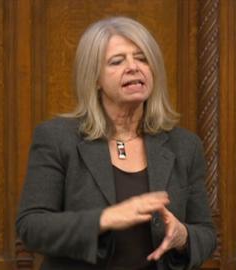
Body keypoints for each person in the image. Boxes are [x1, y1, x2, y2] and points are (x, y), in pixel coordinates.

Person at [16, 16, 216, 270]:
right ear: (95, 79)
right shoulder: (57, 138)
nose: (134, 67)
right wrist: (105, 218)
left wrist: (183, 236)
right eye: (117, 61)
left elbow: (207, 233)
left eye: (142, 58)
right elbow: (31, 227)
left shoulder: (184, 145)